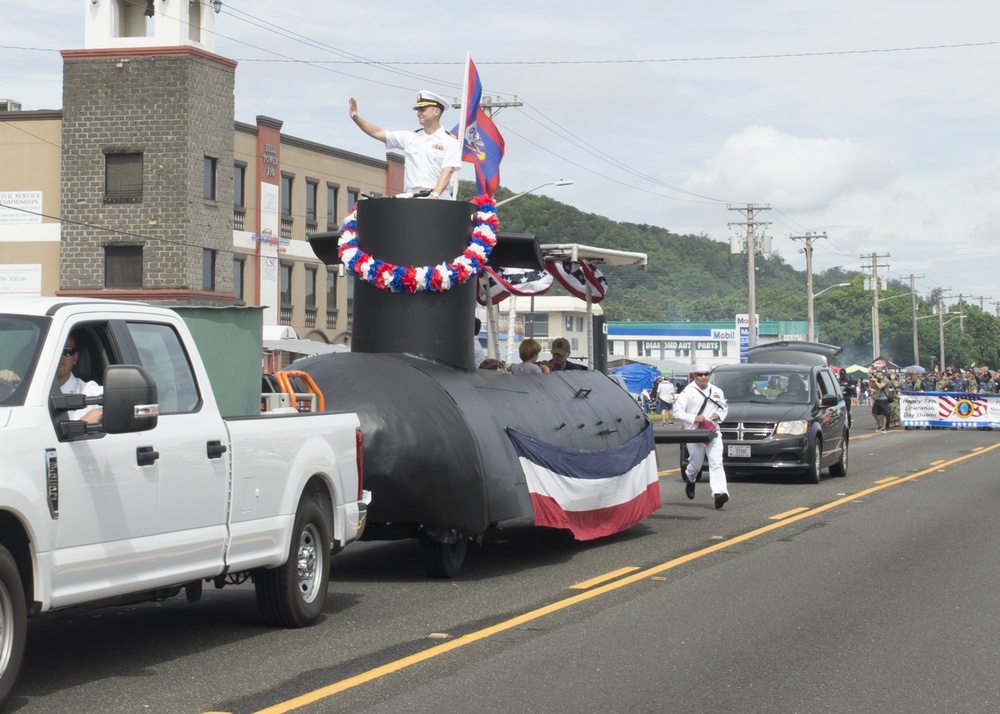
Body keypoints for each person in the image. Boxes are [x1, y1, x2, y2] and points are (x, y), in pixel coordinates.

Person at [349, 91, 461, 200]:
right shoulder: (410, 137)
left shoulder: (449, 141)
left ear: (436, 112)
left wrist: (435, 195)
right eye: (418, 110)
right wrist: (356, 118)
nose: (418, 113)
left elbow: (448, 170)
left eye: (422, 109)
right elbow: (379, 133)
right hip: (412, 197)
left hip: (439, 199)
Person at [674, 364, 730, 509]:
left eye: (706, 374)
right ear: (694, 375)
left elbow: (724, 408)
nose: (703, 377)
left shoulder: (717, 391)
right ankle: (690, 479)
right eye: (700, 374)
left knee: (716, 462)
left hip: (712, 432)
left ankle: (719, 493)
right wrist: (693, 418)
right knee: (696, 464)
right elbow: (677, 412)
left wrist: (720, 415)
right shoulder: (688, 392)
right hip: (695, 432)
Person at [57, 335, 103, 423]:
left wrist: (99, 412)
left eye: (67, 351)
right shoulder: (29, 391)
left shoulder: (89, 392)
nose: (60, 356)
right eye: (55, 351)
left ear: (75, 358)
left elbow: (126, 406)